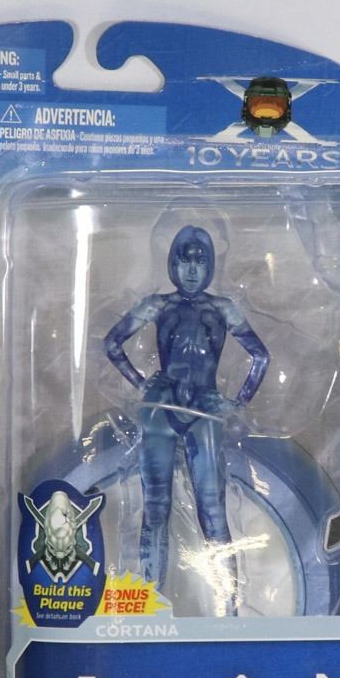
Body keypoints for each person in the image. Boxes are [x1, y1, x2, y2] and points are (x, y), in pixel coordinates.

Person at [104, 226, 270, 616]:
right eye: (185, 260)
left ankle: (229, 609)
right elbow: (112, 343)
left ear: (210, 265)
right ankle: (147, 603)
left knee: (212, 509)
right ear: (173, 263)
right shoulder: (158, 305)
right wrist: (141, 383)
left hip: (203, 411)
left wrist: (237, 402)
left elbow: (261, 356)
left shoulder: (223, 308)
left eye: (200, 261)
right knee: (155, 509)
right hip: (162, 409)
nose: (192, 270)